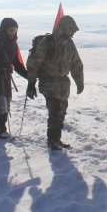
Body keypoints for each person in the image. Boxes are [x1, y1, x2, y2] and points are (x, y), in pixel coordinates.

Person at [26, 15, 84, 150]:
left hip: (63, 83)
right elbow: (33, 64)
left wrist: (79, 82)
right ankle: (53, 140)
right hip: (48, 82)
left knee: (62, 111)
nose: (73, 33)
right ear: (64, 28)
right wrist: (31, 83)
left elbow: (76, 64)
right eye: (72, 30)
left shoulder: (69, 43)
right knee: (55, 111)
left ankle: (55, 138)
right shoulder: (47, 42)